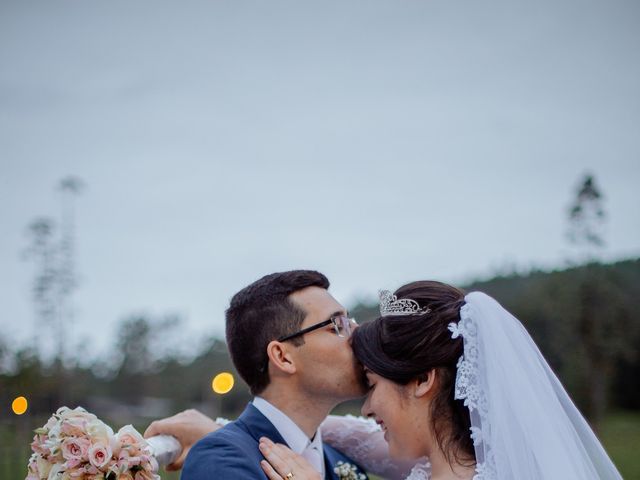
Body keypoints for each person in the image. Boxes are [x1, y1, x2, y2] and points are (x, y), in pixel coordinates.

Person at [257, 281, 623, 480]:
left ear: (421, 380)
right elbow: (352, 437)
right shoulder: (438, 465)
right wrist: (246, 428)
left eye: (373, 384)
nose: (366, 409)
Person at [146, 270, 371, 480]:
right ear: (282, 356)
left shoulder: (344, 464)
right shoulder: (220, 461)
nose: (358, 333)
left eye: (351, 321)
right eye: (337, 325)